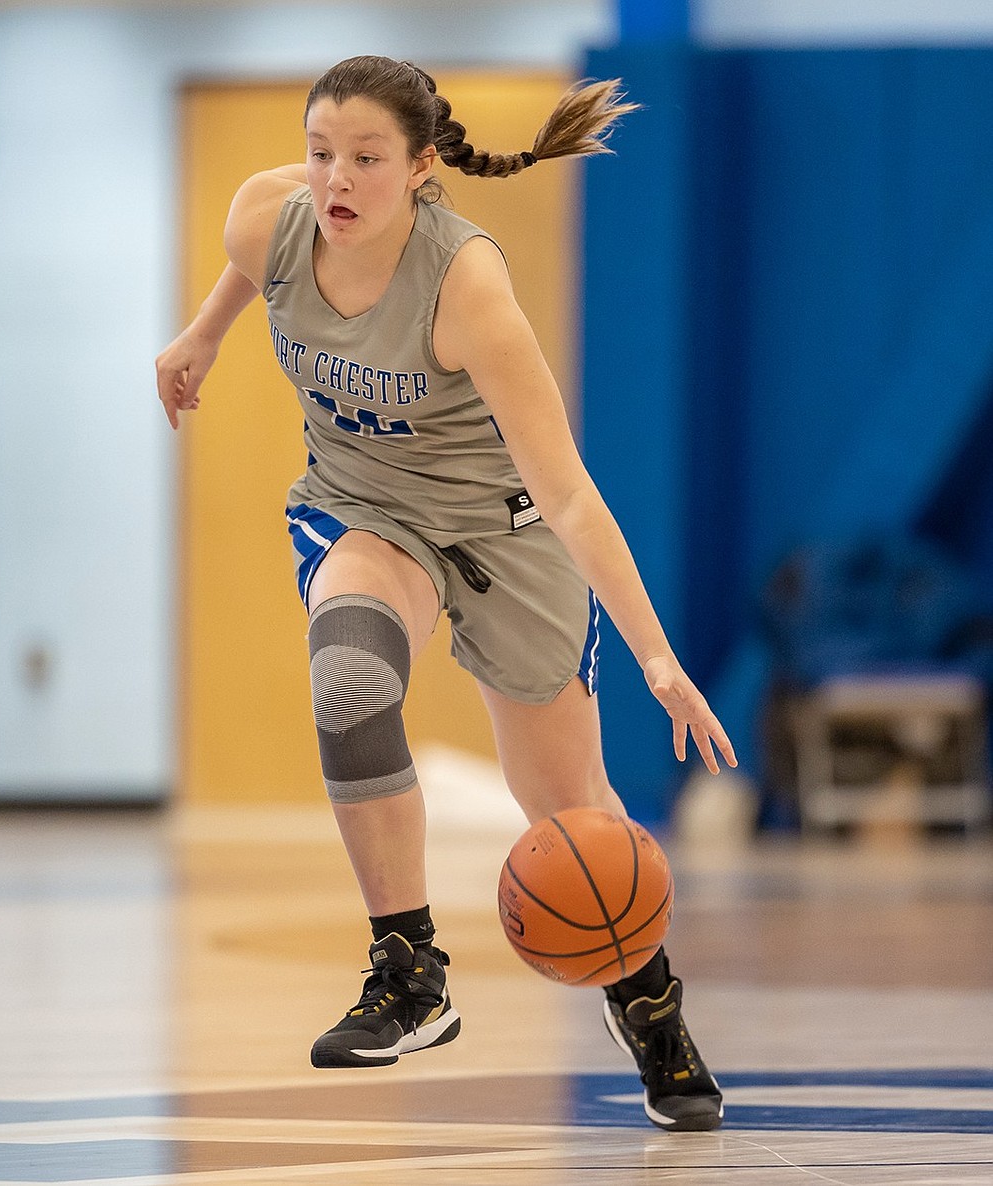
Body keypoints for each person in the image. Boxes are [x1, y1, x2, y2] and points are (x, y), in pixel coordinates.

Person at [155, 55, 738, 1133]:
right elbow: (255, 266)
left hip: (504, 534)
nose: (336, 179)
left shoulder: (467, 287)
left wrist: (655, 654)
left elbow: (567, 495)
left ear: (423, 168)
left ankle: (647, 1004)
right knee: (347, 680)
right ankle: (409, 972)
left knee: (575, 821)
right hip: (365, 509)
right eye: (320, 151)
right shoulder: (265, 217)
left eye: (367, 158)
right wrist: (203, 334)